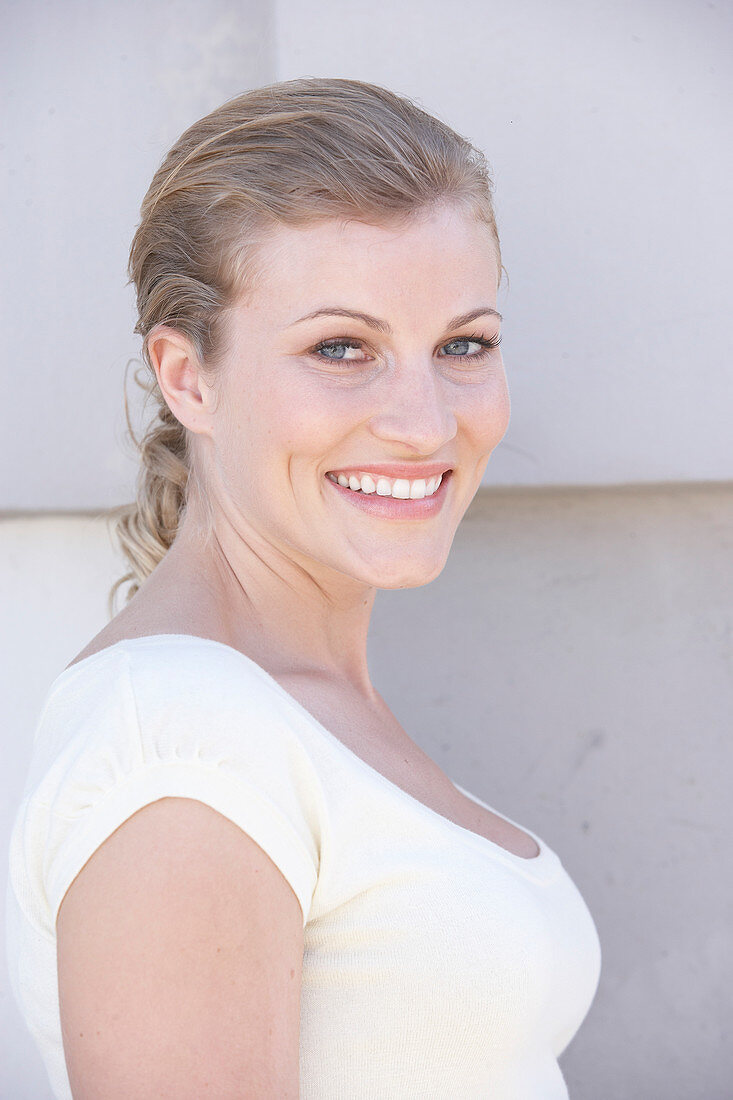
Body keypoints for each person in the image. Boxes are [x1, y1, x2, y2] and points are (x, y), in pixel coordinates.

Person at [6, 77, 601, 1099]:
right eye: (341, 347)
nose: (422, 422)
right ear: (188, 376)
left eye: (463, 344)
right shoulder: (181, 748)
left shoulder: (282, 713)